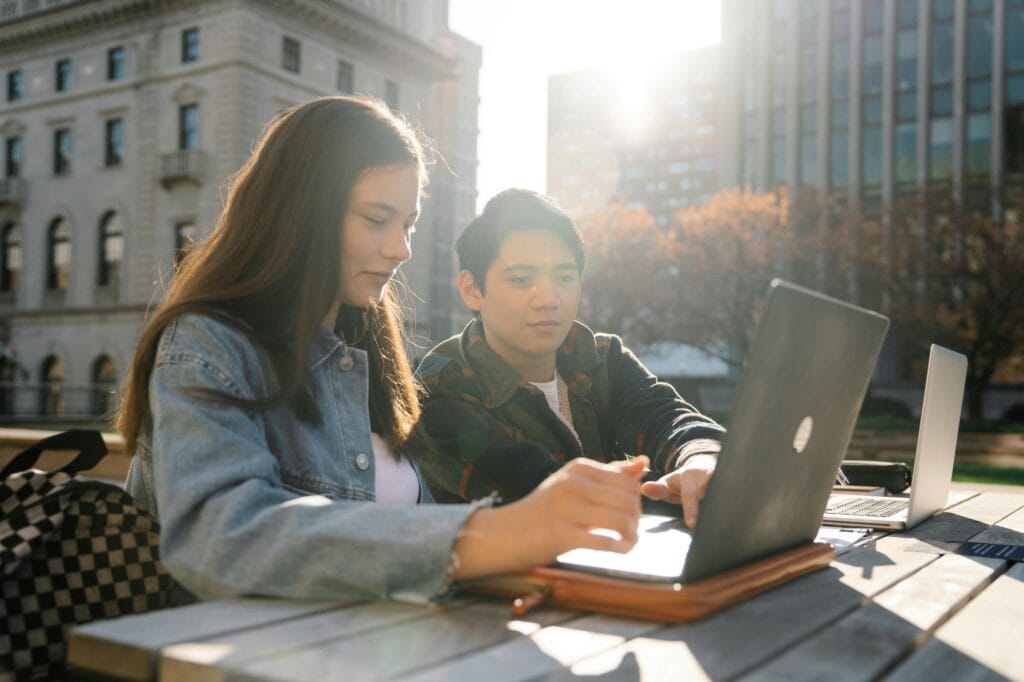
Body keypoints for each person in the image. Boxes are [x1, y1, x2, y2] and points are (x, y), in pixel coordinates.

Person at [117, 96, 647, 604]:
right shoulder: (208, 344)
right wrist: (492, 535)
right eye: (376, 219)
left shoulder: (371, 356)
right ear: (299, 211)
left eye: (408, 224)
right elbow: (222, 538)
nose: (402, 248)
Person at [416, 189, 726, 528]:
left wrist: (701, 458)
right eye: (522, 279)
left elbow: (667, 415)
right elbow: (548, 494)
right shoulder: (439, 387)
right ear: (472, 290)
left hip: (614, 566)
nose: (548, 299)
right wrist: (672, 489)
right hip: (509, 579)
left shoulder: (600, 358)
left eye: (564, 277)